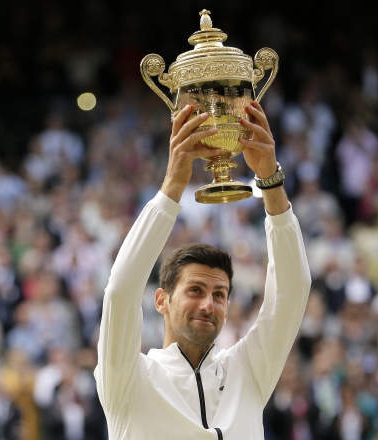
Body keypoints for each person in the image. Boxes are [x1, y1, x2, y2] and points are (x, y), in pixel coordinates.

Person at [95, 102, 311, 439]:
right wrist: (172, 187)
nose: (209, 304)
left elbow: (293, 289)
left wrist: (270, 180)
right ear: (161, 300)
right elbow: (120, 292)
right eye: (195, 290)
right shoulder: (128, 377)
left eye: (220, 295)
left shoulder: (249, 370)